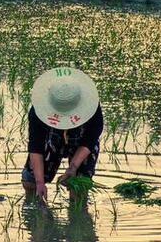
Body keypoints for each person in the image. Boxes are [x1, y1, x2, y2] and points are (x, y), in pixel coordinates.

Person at [20, 66, 103, 202]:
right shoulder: (38, 112)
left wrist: (73, 168)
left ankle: (78, 216)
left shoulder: (92, 109)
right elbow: (36, 146)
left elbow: (90, 140)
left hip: (81, 141)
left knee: (79, 186)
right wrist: (40, 182)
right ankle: (35, 209)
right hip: (51, 138)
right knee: (31, 183)